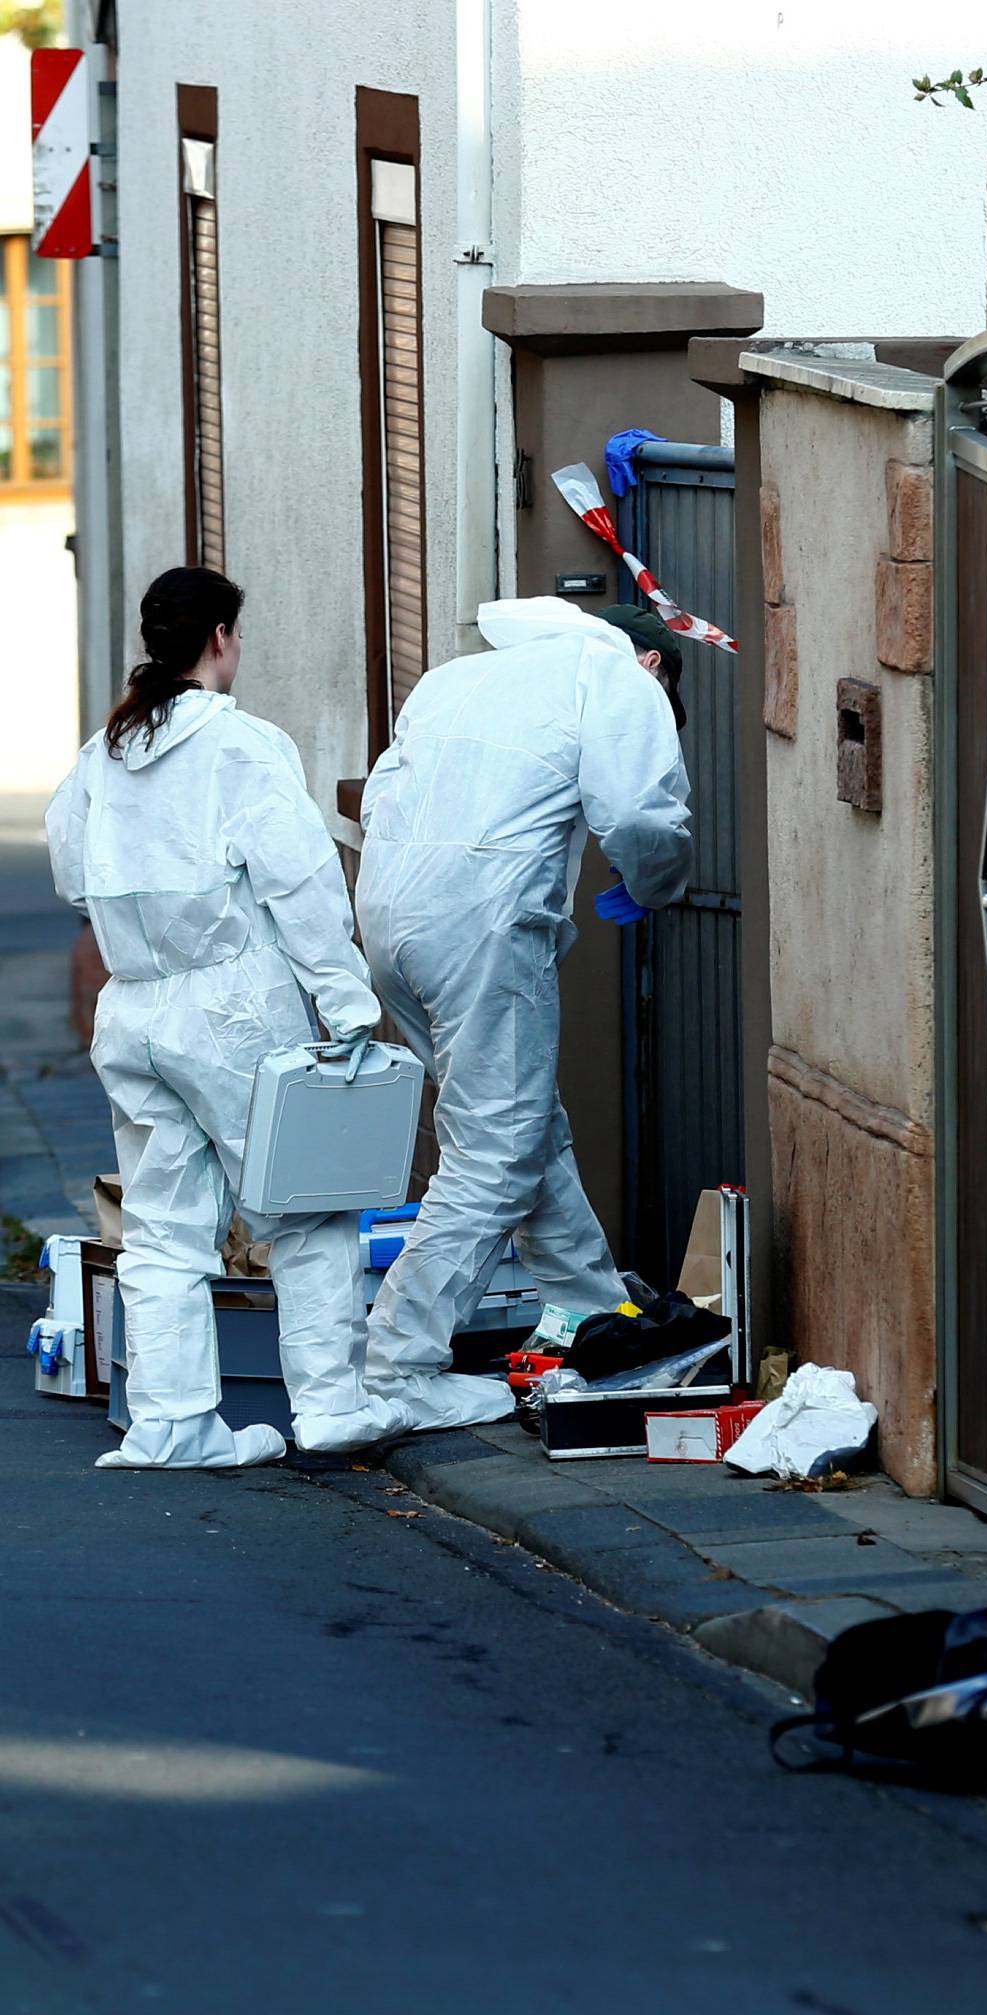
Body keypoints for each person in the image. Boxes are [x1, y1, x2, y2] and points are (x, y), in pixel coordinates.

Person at [46, 567, 405, 1467]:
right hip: (236, 1004)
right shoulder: (240, 746)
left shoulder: (105, 750)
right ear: (218, 637)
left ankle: (171, 1423)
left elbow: (67, 871)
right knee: (308, 1209)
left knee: (164, 1225)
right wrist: (345, 997)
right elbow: (301, 883)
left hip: (133, 1008)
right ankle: (328, 1407)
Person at [353, 596, 693, 1432]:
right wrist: (656, 886)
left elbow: (383, 798)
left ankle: (593, 1308)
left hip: (390, 917)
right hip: (482, 923)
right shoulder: (615, 675)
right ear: (653, 663)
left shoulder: (457, 677)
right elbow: (641, 812)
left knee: (525, 1123)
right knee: (495, 1146)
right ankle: (399, 1361)